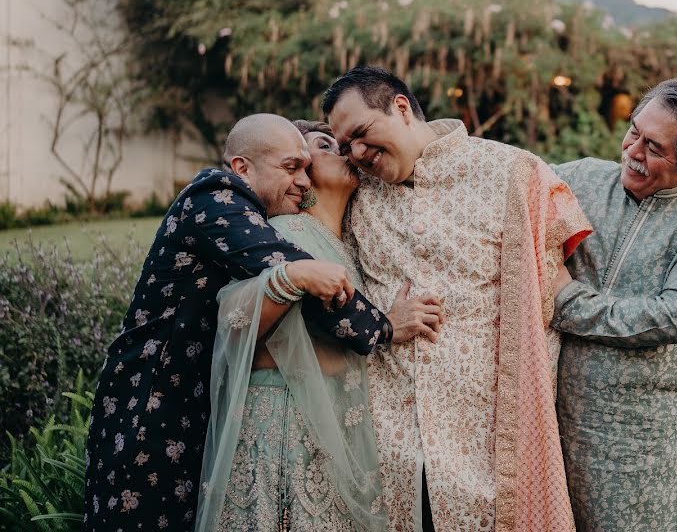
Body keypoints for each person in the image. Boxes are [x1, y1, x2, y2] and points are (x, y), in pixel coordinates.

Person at [83, 114, 432, 531]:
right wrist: (385, 327)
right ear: (241, 168)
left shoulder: (257, 216)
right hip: (150, 396)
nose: (302, 181)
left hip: (190, 398)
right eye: (290, 167)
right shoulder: (216, 196)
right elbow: (289, 266)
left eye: (305, 168)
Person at [323, 66, 592, 532]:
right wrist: (383, 321)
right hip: (388, 436)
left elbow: (553, 290)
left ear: (401, 108)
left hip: (486, 437)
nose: (357, 154)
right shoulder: (356, 193)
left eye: (362, 135)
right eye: (345, 145)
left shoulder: (512, 173)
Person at [195, 120, 443, 531]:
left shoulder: (343, 245)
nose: (347, 152)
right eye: (325, 145)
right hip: (286, 429)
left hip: (326, 431)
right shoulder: (286, 233)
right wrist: (387, 329)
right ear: (303, 170)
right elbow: (244, 330)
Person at [551, 75, 677, 531]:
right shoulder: (579, 180)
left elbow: (676, 316)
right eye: (634, 131)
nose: (633, 151)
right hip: (550, 415)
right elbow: (503, 186)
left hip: (635, 437)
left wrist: (566, 301)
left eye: (655, 148)